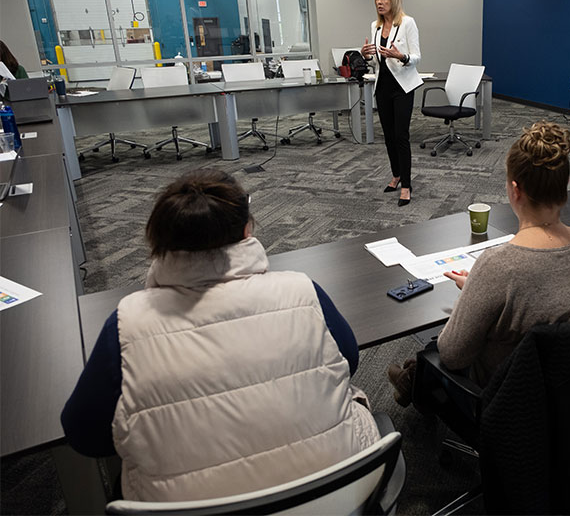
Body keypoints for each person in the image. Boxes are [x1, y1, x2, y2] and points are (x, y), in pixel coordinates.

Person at [61, 169, 381, 502]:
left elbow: (85, 435)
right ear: (247, 231)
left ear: (159, 244)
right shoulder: (303, 290)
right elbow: (350, 360)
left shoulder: (127, 324)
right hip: (334, 498)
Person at [388, 121, 570, 402]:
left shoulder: (498, 265)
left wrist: (474, 293)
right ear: (566, 185)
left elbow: (453, 355)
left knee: (437, 344)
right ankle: (414, 379)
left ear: (515, 190)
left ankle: (415, 379)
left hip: (509, 401)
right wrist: (480, 287)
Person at [361, 0, 423, 207]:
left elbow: (416, 56)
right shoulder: (375, 26)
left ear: (393, 0)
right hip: (383, 87)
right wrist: (366, 55)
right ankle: (395, 175)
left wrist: (401, 56)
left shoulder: (407, 23)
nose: (379, 2)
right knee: (387, 136)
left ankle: (406, 185)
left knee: (400, 136)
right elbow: (376, 62)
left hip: (402, 87)